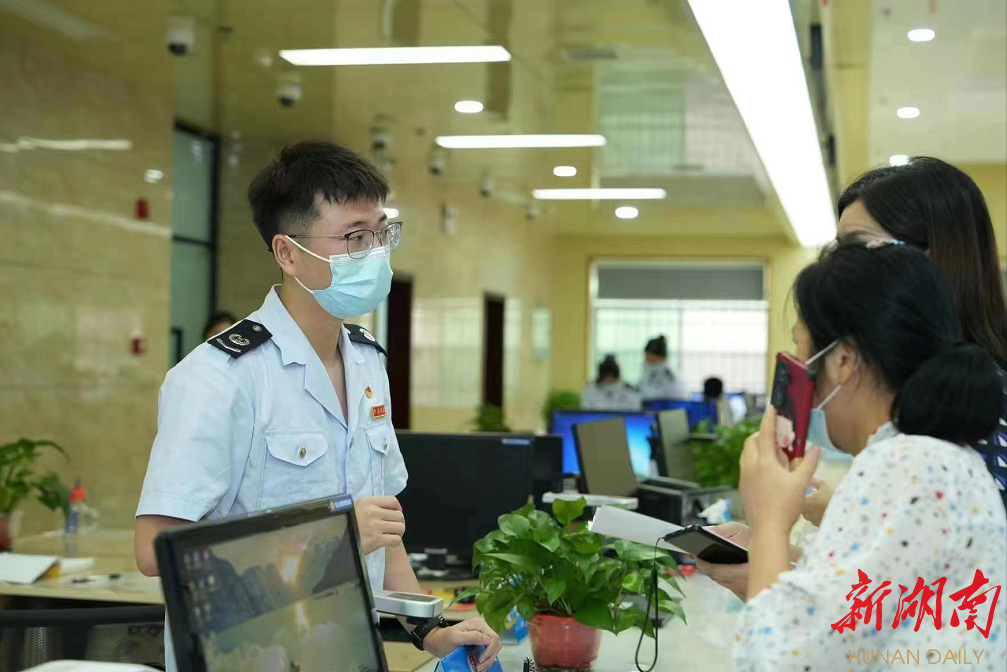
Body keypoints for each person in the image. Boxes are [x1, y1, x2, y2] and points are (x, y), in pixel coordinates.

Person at [134, 141, 501, 671]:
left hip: (346, 652)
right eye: (354, 237)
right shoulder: (219, 377)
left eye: (382, 233)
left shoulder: (367, 362)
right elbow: (155, 551)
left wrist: (431, 628)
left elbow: (383, 531)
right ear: (287, 253)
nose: (375, 252)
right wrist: (326, 535)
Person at [709, 242, 1007, 670]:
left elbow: (777, 662)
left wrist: (770, 524)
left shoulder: (904, 466)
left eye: (801, 357)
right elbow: (884, 601)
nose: (800, 383)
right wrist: (787, 561)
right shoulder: (932, 458)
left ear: (844, 359)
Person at [805, 156, 1007, 523]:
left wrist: (850, 516)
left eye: (860, 249)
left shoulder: (975, 401)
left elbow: (965, 567)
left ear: (935, 256)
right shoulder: (907, 386)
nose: (843, 270)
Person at [639, 335, 687, 400]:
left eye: (650, 357)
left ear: (661, 357)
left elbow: (655, 395)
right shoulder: (650, 371)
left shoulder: (668, 375)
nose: (647, 360)